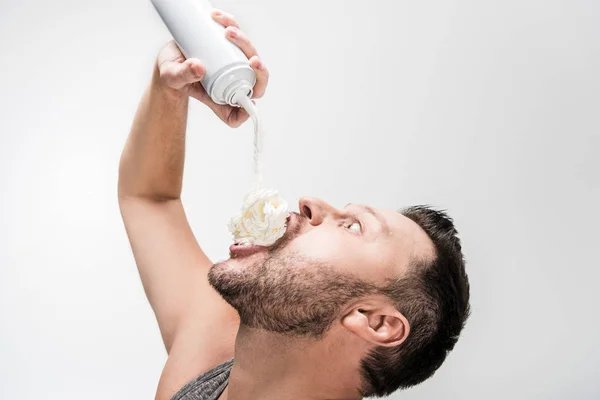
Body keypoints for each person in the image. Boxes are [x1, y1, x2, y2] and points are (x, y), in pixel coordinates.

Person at [118, 9, 470, 400]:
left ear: (376, 321)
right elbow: (150, 198)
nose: (310, 202)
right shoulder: (209, 350)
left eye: (353, 225)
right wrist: (179, 75)